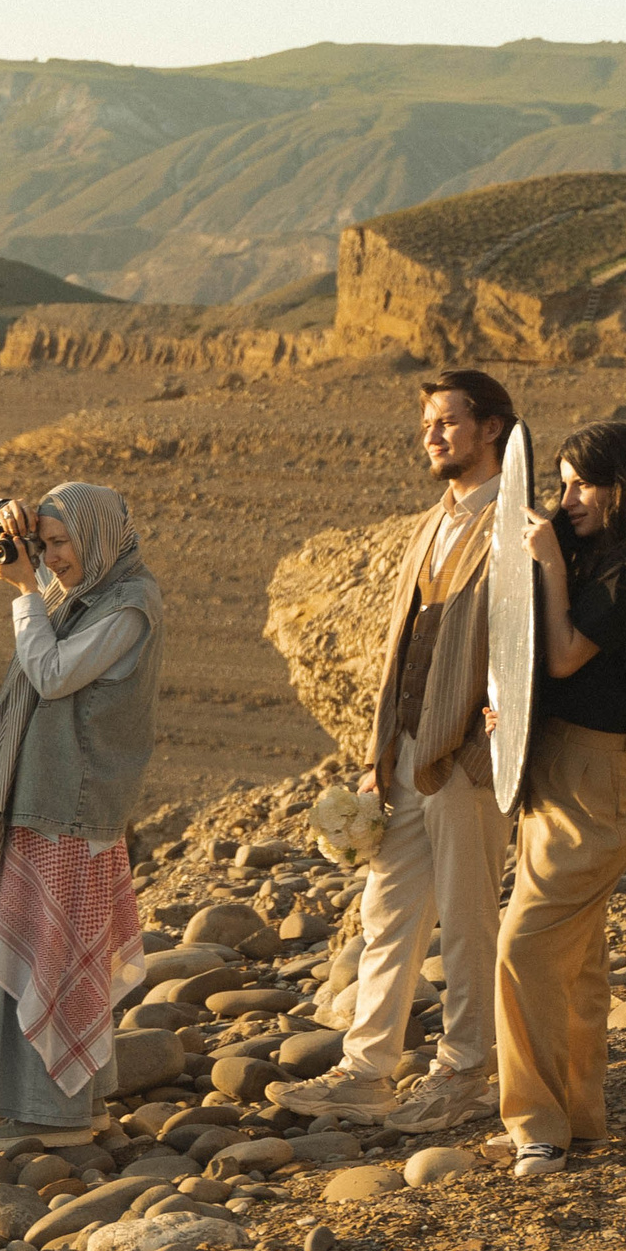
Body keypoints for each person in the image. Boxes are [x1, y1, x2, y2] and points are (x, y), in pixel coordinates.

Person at [275, 369, 517, 1133]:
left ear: (493, 429)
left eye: (448, 421)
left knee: (470, 918)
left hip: (470, 755)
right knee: (388, 910)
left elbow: (523, 642)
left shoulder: (517, 524)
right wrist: (382, 749)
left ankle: (467, 1068)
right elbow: (403, 641)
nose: (434, 436)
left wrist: (496, 726)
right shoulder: (431, 523)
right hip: (407, 750)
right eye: (428, 425)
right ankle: (366, 1070)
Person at [491, 422, 626, 1177]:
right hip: (560, 767)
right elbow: (546, 664)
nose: (567, 498)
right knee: (575, 961)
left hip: (597, 778)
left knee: (524, 948)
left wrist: (547, 563)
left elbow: (570, 650)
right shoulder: (606, 558)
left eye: (583, 485)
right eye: (565, 482)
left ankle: (535, 1126)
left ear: (622, 488)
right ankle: (579, 1117)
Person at [0, 483, 164, 1147]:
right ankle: (58, 1105)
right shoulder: (86, 596)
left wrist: (24, 594)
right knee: (39, 952)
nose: (49, 560)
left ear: (99, 539)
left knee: (52, 960)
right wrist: (5, 519)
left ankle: (51, 1116)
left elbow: (52, 673)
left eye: (60, 544)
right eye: (42, 545)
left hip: (72, 810)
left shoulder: (128, 607)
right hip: (47, 803)